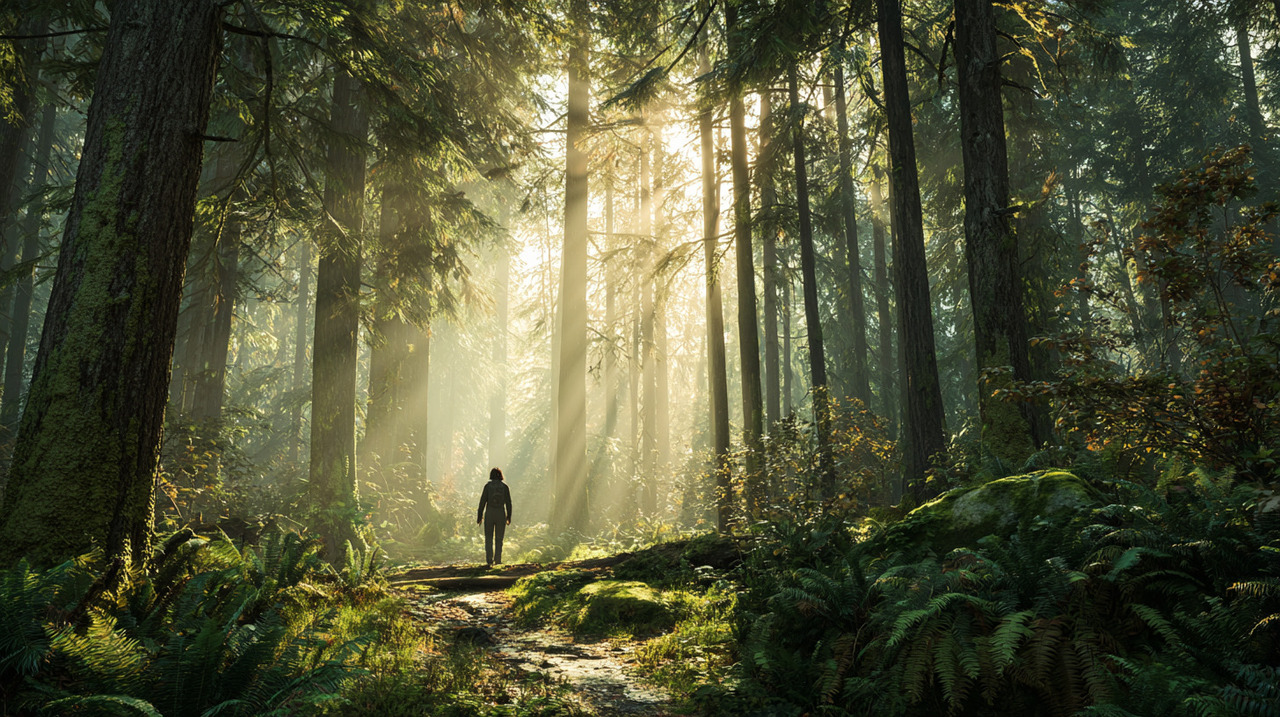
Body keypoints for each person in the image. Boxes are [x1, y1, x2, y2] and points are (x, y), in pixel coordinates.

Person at [476, 467, 512, 566]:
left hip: (489, 513)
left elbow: (482, 502)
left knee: (488, 538)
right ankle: (498, 560)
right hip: (501, 513)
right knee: (499, 538)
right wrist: (509, 516)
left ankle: (489, 560)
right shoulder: (505, 487)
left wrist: (479, 516)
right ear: (500, 475)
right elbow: (508, 503)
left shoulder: (488, 487)